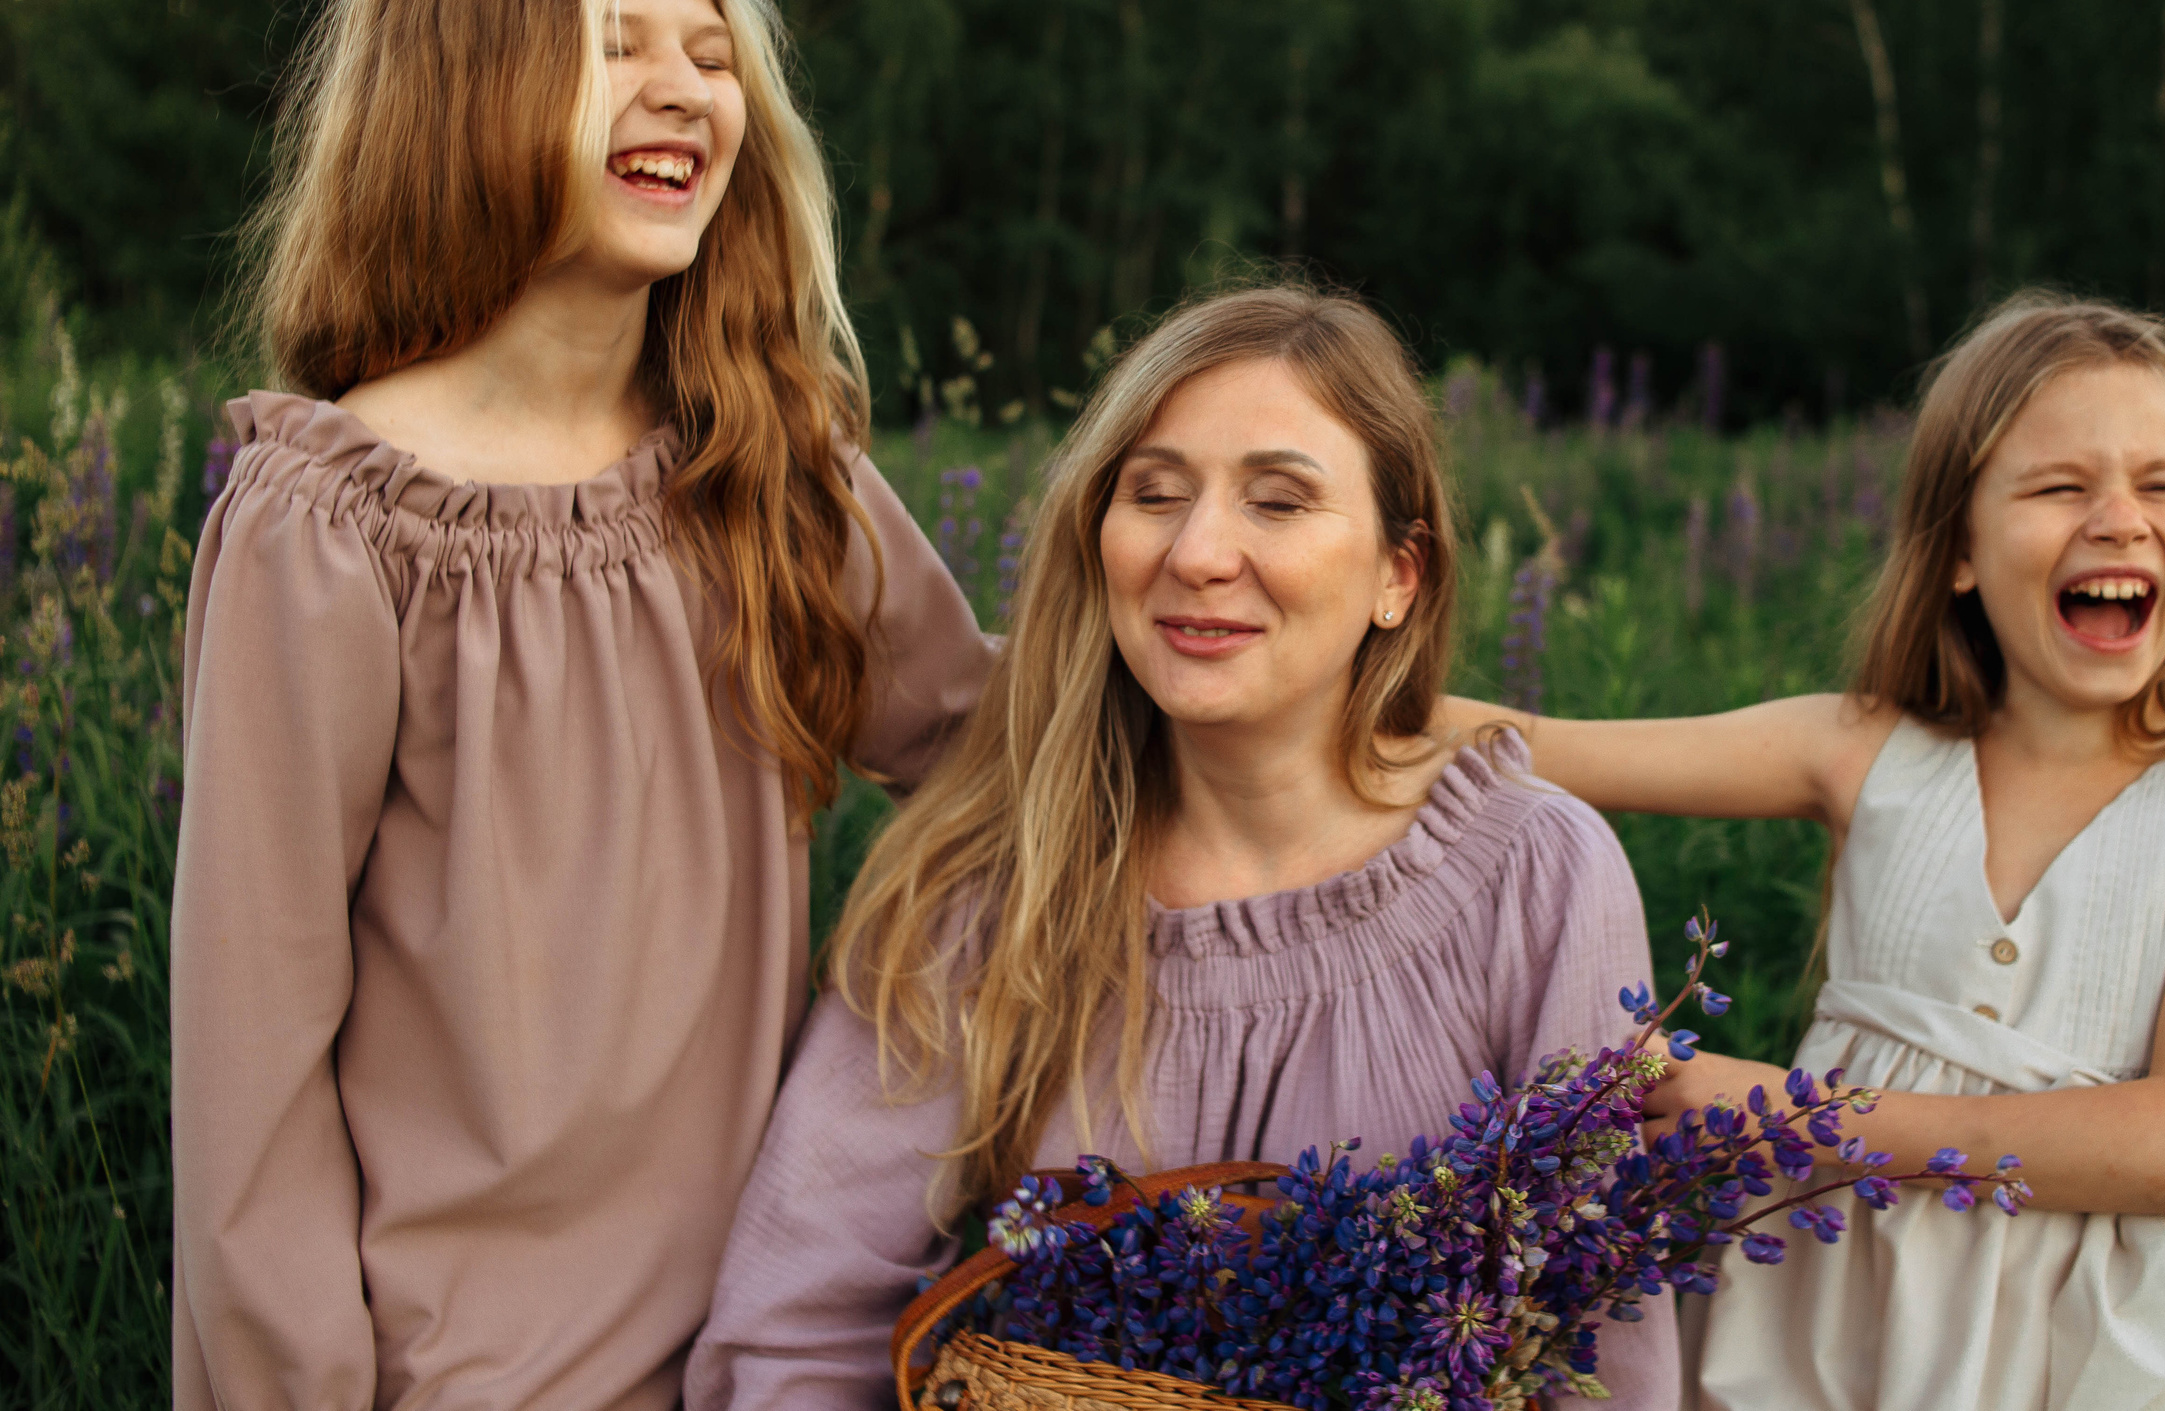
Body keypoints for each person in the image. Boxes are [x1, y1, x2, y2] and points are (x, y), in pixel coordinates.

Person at [171, 0, 995, 1410]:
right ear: (463, 86)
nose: (686, 87)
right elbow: (249, 1070)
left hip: (778, 1349)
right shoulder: (338, 523)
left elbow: (986, 730)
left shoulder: (769, 470)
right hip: (465, 1372)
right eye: (616, 47)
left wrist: (1296, 696)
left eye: (711, 51)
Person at [683, 284, 1681, 1409]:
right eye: (1153, 493)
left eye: (1279, 502)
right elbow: (794, 1323)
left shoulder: (1534, 876)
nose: (1199, 552)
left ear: (1399, 576)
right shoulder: (990, 879)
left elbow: (1596, 1355)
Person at [1463, 294, 2165, 1410]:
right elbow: (1529, 749)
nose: (2120, 518)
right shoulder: (1865, 746)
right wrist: (1297, 681)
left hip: (2088, 1359)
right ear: (1958, 551)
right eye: (2061, 485)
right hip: (1817, 1332)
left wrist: (1789, 1116)